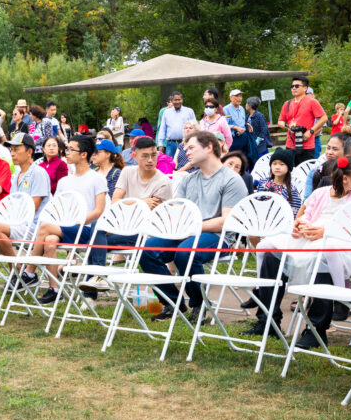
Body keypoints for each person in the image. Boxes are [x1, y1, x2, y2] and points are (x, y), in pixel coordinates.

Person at [243, 156, 351, 348]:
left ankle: (316, 329)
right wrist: (299, 226)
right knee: (270, 253)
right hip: (307, 239)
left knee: (322, 258)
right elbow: (305, 215)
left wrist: (326, 233)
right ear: (345, 179)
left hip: (339, 246)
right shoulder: (321, 193)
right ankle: (268, 319)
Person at [142, 131, 248, 320]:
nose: (186, 152)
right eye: (185, 148)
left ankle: (199, 304)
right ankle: (172, 302)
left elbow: (227, 221)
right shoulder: (189, 179)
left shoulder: (232, 179)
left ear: (208, 147)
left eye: (191, 147)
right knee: (148, 250)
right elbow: (180, 213)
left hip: (218, 236)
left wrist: (191, 229)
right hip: (187, 233)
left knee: (185, 251)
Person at [24, 135, 108, 305]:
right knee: (49, 240)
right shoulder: (64, 182)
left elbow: (99, 211)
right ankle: (55, 289)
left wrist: (78, 220)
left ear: (84, 154)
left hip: (85, 229)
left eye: (71, 149)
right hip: (65, 228)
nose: (66, 152)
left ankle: (29, 272)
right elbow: (58, 209)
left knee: (46, 228)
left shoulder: (97, 178)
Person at [82, 136, 173, 275]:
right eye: (145, 156)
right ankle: (96, 280)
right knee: (97, 228)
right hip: (125, 226)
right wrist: (142, 201)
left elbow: (148, 216)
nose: (150, 160)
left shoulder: (163, 182)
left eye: (154, 155)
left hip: (146, 233)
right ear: (134, 156)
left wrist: (129, 204)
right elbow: (115, 202)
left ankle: (95, 281)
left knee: (94, 239)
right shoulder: (128, 172)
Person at [0, 133, 52, 287]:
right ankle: (15, 274)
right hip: (20, 223)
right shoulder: (16, 174)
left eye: (17, 149)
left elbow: (32, 208)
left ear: (29, 152)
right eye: (11, 150)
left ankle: (18, 270)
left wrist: (9, 219)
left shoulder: (38, 172)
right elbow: (14, 205)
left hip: (35, 226)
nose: (13, 153)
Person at [278, 77, 327, 165]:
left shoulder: (312, 102)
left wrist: (311, 131)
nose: (293, 88)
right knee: (291, 172)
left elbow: (324, 118)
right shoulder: (287, 103)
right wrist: (288, 127)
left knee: (306, 172)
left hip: (307, 145)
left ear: (305, 88)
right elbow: (280, 121)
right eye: (292, 86)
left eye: (297, 86)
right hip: (290, 144)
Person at [304, 132, 351, 200]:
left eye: (335, 149)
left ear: (347, 151)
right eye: (328, 148)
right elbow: (307, 200)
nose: (329, 152)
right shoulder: (316, 170)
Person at [225, 89, 251, 156]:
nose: (239, 98)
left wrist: (247, 125)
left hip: (244, 136)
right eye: (237, 96)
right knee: (234, 157)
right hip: (233, 138)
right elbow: (224, 125)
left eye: (240, 96)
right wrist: (235, 127)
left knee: (245, 158)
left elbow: (242, 122)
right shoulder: (226, 109)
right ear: (231, 97)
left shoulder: (242, 108)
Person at [246, 96, 271, 161]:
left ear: (250, 105)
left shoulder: (259, 116)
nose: (245, 105)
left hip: (260, 146)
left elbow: (264, 129)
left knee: (262, 161)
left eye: (247, 103)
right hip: (251, 143)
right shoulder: (247, 116)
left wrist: (258, 140)